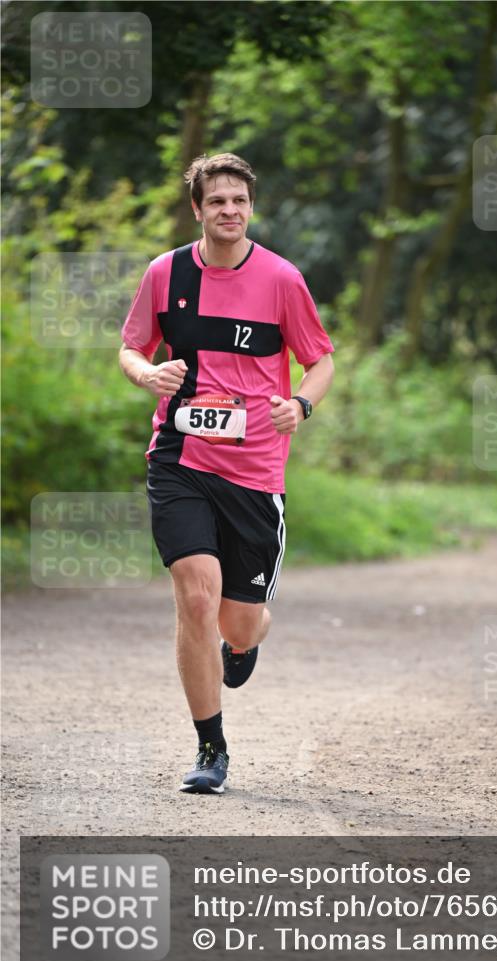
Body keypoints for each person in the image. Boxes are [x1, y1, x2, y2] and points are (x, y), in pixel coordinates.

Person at [119, 153, 334, 793]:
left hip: (256, 470)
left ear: (251, 206)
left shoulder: (281, 279)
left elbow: (320, 360)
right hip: (179, 456)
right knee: (195, 597)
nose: (230, 212)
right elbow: (131, 347)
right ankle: (211, 748)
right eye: (217, 202)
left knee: (237, 622)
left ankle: (245, 642)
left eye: (239, 201)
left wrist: (300, 403)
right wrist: (148, 374)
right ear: (198, 209)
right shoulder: (167, 274)